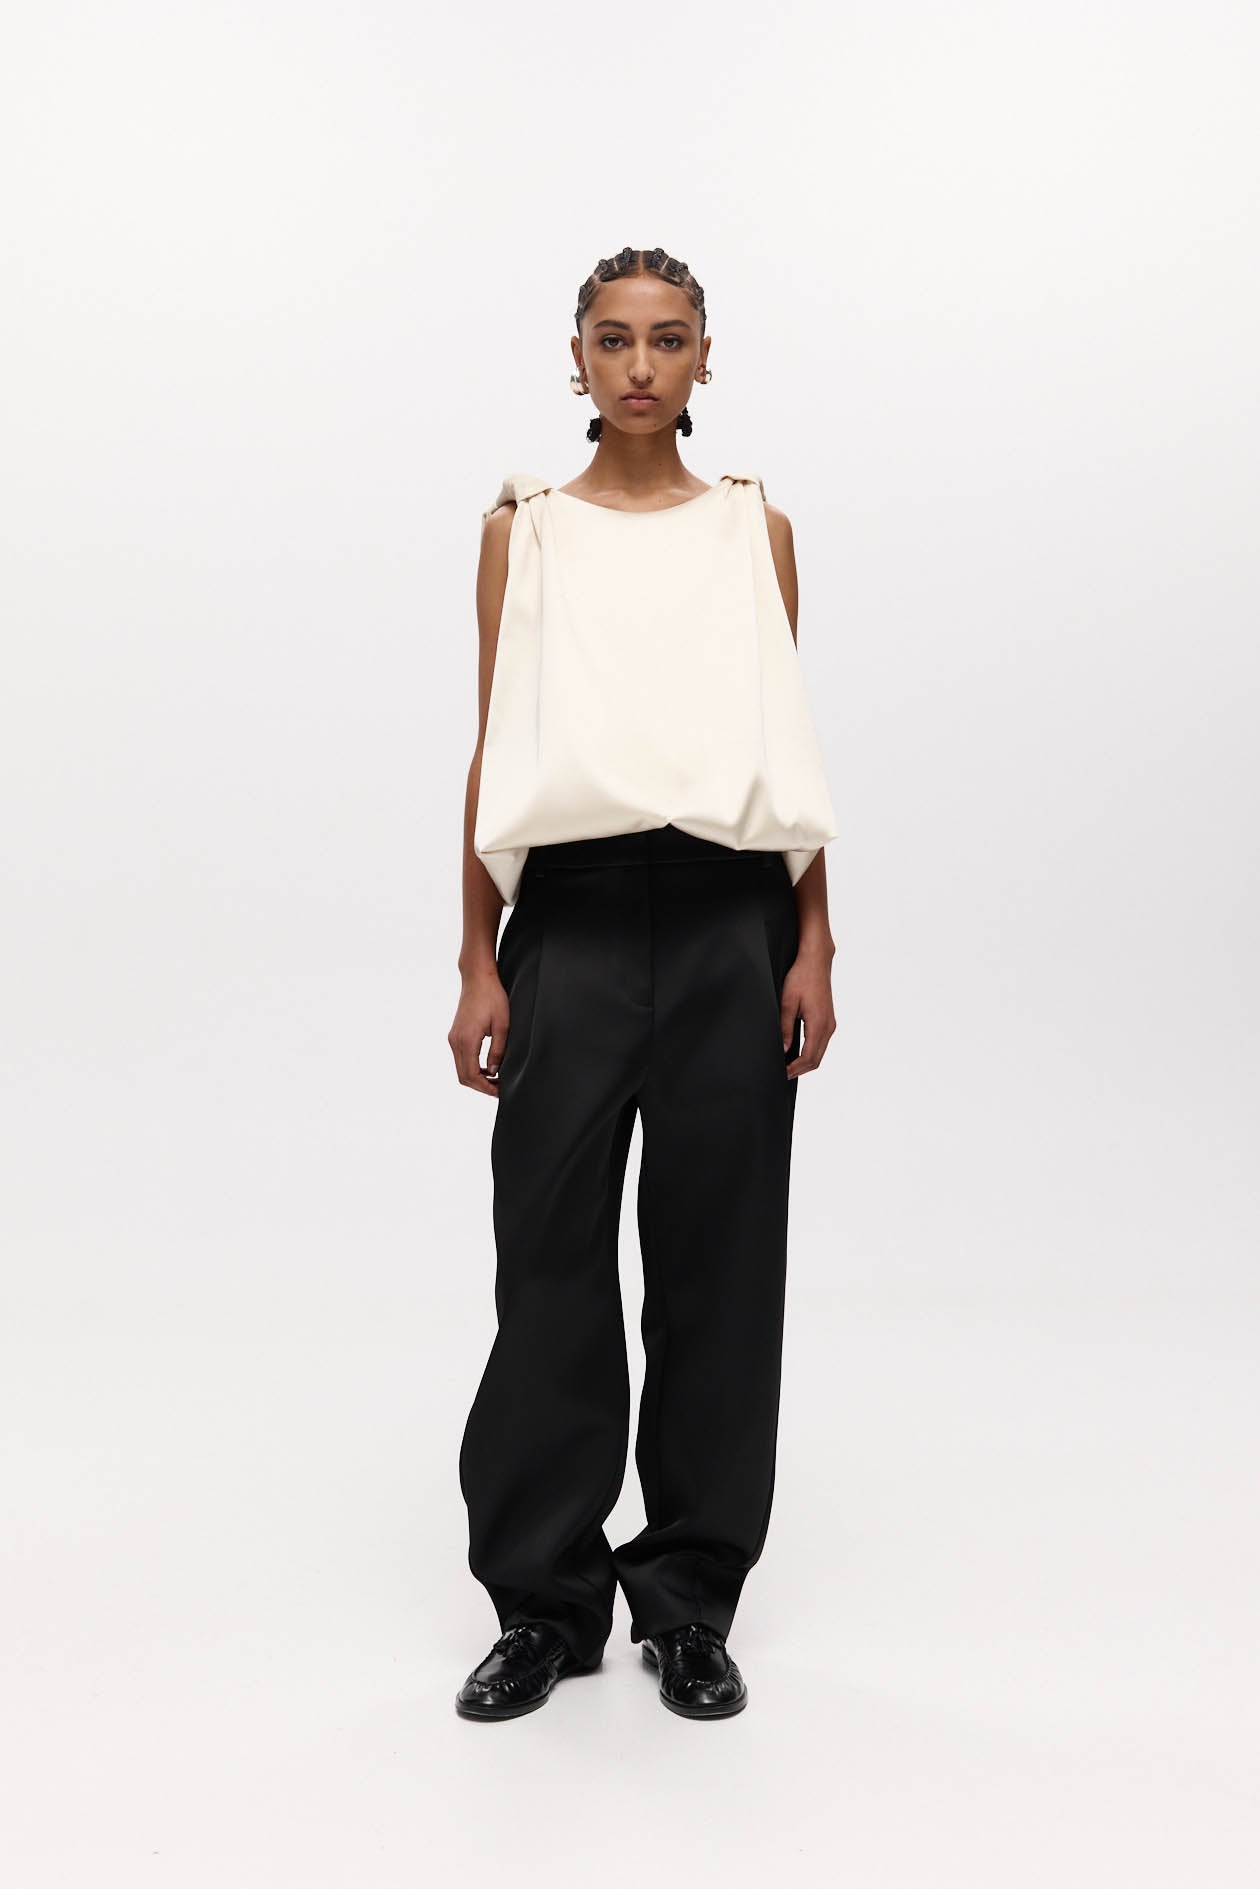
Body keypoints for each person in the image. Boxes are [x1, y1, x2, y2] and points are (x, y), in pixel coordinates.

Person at [448, 245, 839, 1722]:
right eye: (613, 340)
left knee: (719, 1264)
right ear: (577, 357)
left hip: (733, 911)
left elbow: (784, 741)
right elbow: (493, 748)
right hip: (576, 917)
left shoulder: (754, 530)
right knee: (549, 1257)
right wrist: (478, 956)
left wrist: (814, 939)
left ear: (703, 359)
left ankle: (687, 1597)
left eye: (667, 340)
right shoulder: (526, 536)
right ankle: (544, 1603)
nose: (639, 366)